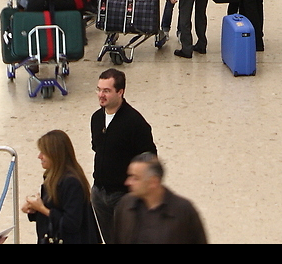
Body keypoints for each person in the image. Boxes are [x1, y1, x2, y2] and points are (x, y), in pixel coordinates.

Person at [90, 69, 157, 243]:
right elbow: (97, 148)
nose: (100, 95)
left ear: (120, 92)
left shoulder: (135, 123)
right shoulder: (96, 119)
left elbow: (149, 159)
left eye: (106, 91)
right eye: (99, 89)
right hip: (99, 193)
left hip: (124, 196)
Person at [22, 130, 99, 244]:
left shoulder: (71, 182)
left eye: (44, 152)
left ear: (55, 154)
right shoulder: (52, 178)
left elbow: (71, 223)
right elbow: (55, 209)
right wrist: (34, 210)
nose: (39, 156)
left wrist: (42, 209)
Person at [111, 154, 207, 244]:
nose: (128, 182)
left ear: (153, 182)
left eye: (135, 178)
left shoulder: (183, 211)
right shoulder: (125, 206)